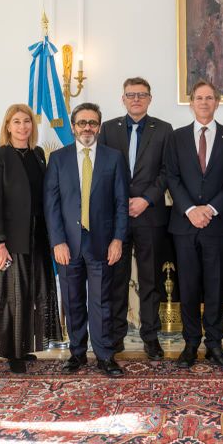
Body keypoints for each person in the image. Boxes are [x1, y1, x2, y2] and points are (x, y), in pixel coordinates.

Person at [164, 80, 223, 368]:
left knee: (215, 286)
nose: (204, 102)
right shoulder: (176, 138)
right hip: (184, 225)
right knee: (187, 287)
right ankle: (190, 344)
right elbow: (171, 176)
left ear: (217, 102)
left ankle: (214, 344)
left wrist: (209, 209)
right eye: (199, 97)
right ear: (191, 102)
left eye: (210, 97)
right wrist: (190, 209)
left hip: (217, 224)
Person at [45, 103, 129, 377]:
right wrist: (57, 241)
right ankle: (77, 353)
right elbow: (52, 205)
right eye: (82, 123)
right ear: (73, 127)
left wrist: (118, 239)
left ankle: (105, 356)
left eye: (92, 123)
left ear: (99, 126)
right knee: (72, 301)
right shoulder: (58, 159)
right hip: (68, 244)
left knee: (102, 301)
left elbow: (120, 204)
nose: (87, 128)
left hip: (103, 244)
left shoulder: (113, 158)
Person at [0, 104, 61, 372]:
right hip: (8, 239)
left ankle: (23, 348)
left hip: (36, 236)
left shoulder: (38, 155)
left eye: (27, 121)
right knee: (10, 297)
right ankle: (11, 353)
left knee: (30, 294)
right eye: (16, 122)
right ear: (8, 126)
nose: (22, 126)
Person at [98, 77, 173, 360]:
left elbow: (167, 171)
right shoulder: (108, 129)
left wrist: (146, 199)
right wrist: (120, 203)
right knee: (116, 278)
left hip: (149, 215)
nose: (136, 99)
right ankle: (116, 337)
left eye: (142, 95)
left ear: (150, 99)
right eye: (131, 95)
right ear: (123, 98)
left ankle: (150, 337)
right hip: (116, 218)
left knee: (149, 279)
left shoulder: (164, 130)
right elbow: (103, 171)